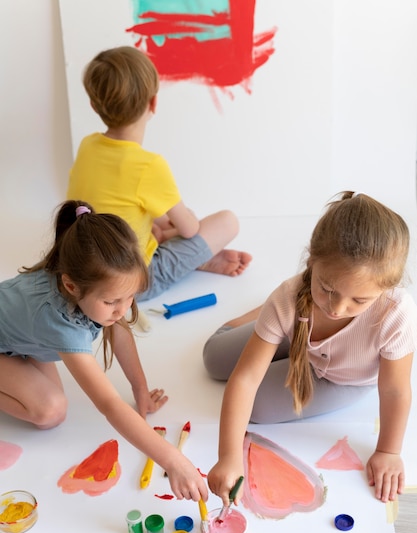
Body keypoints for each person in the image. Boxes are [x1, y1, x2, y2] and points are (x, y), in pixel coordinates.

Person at [204, 191, 417, 504]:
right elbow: (245, 377)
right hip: (297, 329)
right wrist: (228, 456)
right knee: (213, 357)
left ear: (386, 288)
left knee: (258, 409)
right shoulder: (290, 295)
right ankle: (269, 321)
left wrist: (388, 451)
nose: (337, 308)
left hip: (341, 378)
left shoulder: (395, 310)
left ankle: (278, 329)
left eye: (359, 300)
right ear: (311, 262)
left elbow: (395, 391)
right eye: (327, 289)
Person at [0, 200, 207, 502]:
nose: (122, 310)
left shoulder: (95, 285)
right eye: (112, 303)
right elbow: (109, 404)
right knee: (50, 412)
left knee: (48, 400)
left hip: (20, 339)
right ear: (70, 286)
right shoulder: (61, 324)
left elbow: (120, 334)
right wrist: (173, 460)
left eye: (130, 297)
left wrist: (141, 389)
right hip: (12, 342)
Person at [66, 46, 252, 301]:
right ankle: (195, 260)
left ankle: (187, 252)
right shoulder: (149, 166)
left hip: (86, 271)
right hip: (131, 284)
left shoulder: (88, 145)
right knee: (226, 221)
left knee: (159, 217)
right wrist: (174, 227)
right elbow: (190, 229)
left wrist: (163, 226)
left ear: (94, 106)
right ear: (153, 102)